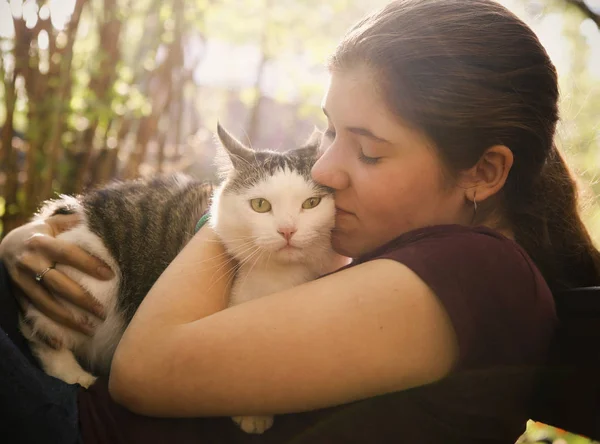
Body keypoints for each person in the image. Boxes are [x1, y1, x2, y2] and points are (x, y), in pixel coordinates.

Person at [2, 0, 600, 442]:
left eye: (368, 150)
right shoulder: (420, 258)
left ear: (484, 172)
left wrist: (232, 214)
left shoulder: (477, 271)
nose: (330, 171)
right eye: (331, 133)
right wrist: (34, 237)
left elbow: (143, 370)